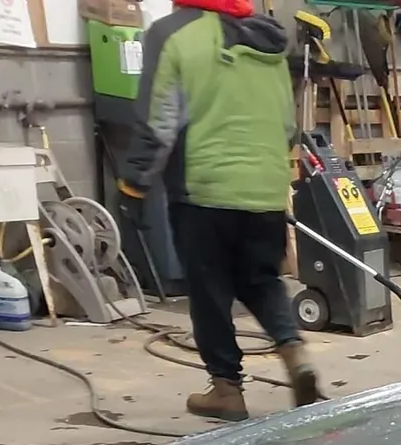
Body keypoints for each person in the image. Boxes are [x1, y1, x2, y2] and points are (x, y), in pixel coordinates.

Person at [117, 0, 322, 421]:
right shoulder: (269, 40)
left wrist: (133, 184)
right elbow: (287, 126)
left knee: (209, 290)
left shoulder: (172, 33)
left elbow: (159, 121)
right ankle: (294, 350)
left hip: (205, 187)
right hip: (266, 187)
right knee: (261, 280)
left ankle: (227, 389)